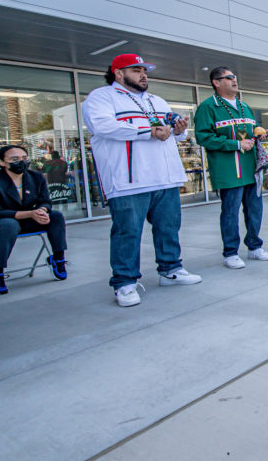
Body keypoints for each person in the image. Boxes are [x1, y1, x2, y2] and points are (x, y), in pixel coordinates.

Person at [82, 54, 202, 307]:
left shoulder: (155, 100)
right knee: (128, 232)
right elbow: (102, 126)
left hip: (165, 177)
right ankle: (124, 283)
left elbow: (173, 132)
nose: (143, 74)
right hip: (129, 179)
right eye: (136, 70)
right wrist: (147, 132)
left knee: (169, 227)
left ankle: (171, 269)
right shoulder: (102, 97)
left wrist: (180, 131)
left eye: (144, 70)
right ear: (118, 74)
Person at [194, 67, 268, 269]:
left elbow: (249, 134)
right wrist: (235, 145)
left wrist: (258, 136)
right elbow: (204, 137)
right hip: (229, 170)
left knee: (255, 210)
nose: (234, 80)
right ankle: (230, 252)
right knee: (230, 212)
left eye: (235, 77)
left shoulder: (244, 106)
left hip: (251, 167)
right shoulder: (208, 107)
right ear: (216, 82)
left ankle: (254, 247)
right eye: (229, 78)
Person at [0, 145, 68, 296]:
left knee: (55, 216)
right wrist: (30, 213)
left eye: (24, 158)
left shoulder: (36, 177)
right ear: (1, 162)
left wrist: (41, 211)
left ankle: (58, 259)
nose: (21, 162)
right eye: (15, 159)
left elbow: (46, 201)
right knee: (8, 224)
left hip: (22, 222)